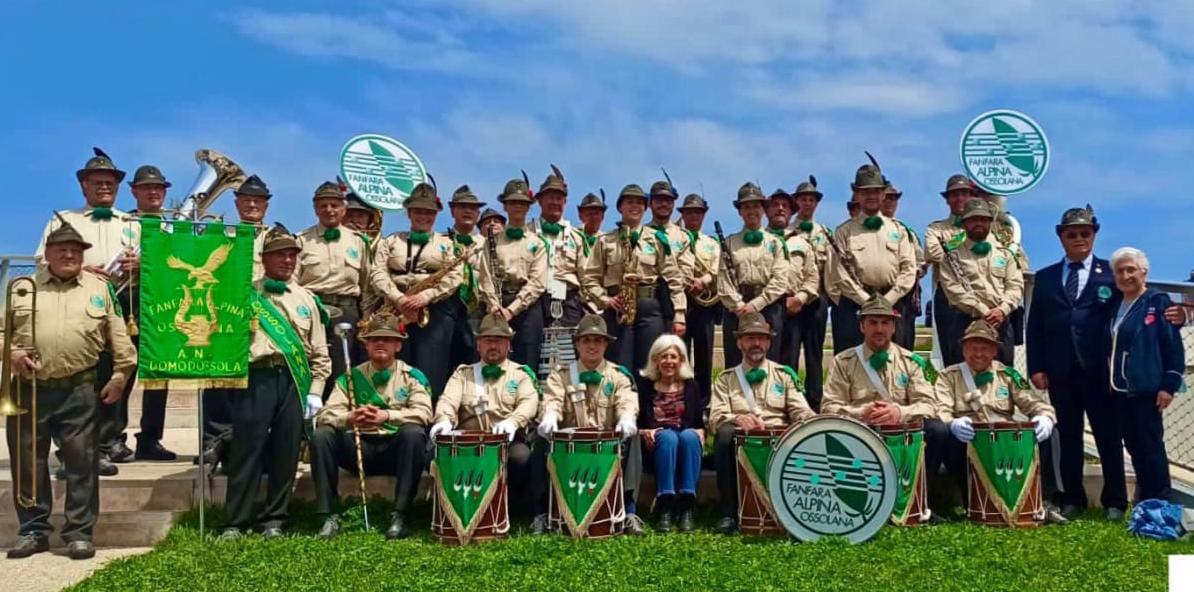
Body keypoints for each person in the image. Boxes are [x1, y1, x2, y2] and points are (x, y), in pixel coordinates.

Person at [5, 220, 136, 560]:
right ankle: (33, 531)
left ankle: (79, 532)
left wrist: (120, 375)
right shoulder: (22, 286)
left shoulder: (99, 289)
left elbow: (118, 337)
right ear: (46, 254)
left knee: (82, 463)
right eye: (61, 249)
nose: (68, 254)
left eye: (75, 250)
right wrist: (13, 353)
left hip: (80, 390)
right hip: (29, 390)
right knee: (27, 464)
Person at [221, 225, 331, 539]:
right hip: (257, 376)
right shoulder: (245, 293)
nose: (286, 260)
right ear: (264, 258)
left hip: (295, 380)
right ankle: (236, 521)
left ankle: (275, 519)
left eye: (291, 255)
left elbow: (320, 352)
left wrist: (315, 392)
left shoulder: (308, 299)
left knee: (286, 450)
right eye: (279, 254)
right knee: (247, 449)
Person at [35, 148, 137, 474]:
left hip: (123, 304)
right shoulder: (65, 220)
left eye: (110, 183)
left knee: (116, 376)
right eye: (97, 182)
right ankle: (73, 451)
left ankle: (104, 446)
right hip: (79, 303)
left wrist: (141, 265)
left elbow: (155, 264)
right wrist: (84, 269)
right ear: (84, 187)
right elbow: (41, 261)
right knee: (82, 381)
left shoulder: (132, 223)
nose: (104, 187)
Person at [1025, 205, 1125, 517]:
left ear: (1094, 235)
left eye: (1085, 233)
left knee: (1108, 436)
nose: (1079, 238)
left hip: (1099, 370)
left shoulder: (1111, 274)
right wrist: (1036, 367)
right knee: (1068, 436)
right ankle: (1072, 498)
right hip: (1060, 370)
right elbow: (1035, 327)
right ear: (1061, 238)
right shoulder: (1045, 278)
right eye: (1072, 234)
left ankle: (1115, 501)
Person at [311, 312, 432, 540]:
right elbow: (325, 415)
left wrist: (387, 416)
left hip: (394, 450)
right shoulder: (349, 377)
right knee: (322, 435)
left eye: (386, 339)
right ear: (366, 345)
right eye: (374, 339)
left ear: (398, 345)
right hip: (358, 448)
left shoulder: (412, 377)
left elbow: (424, 413)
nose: (380, 343)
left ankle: (400, 514)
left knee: (414, 433)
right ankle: (328, 515)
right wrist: (350, 417)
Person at [821, 295, 947, 500]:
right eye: (872, 322)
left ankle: (919, 498)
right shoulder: (843, 362)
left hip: (901, 433)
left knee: (937, 429)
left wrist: (900, 412)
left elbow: (929, 405)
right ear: (862, 326)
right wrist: (861, 413)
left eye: (885, 323)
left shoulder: (911, 362)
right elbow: (828, 407)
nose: (879, 329)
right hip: (861, 431)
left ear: (894, 327)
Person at [935, 320, 1059, 520]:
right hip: (968, 441)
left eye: (984, 349)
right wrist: (952, 423)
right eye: (973, 348)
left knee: (1049, 432)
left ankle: (1044, 500)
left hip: (1006, 443)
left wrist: (1044, 416)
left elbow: (1034, 403)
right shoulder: (948, 376)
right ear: (964, 350)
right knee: (945, 435)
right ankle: (971, 499)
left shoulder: (1007, 375)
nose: (978, 354)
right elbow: (940, 409)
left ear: (994, 351)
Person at [708, 312, 815, 534]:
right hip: (741, 439)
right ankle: (728, 513)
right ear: (739, 343)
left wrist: (809, 421)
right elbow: (715, 417)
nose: (756, 343)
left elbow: (801, 410)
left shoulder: (784, 376)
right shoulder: (726, 379)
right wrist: (737, 418)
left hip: (778, 439)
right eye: (749, 338)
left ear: (768, 342)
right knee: (724, 435)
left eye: (761, 338)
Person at [538, 314, 644, 535]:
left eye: (598, 340)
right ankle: (542, 512)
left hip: (607, 448)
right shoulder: (562, 375)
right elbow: (552, 399)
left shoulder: (618, 375)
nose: (592, 346)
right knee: (539, 438)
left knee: (634, 436)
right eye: (586, 340)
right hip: (570, 450)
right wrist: (549, 415)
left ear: (606, 344)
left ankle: (630, 511)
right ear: (577, 344)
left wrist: (626, 417)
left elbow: (626, 400)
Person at [430, 313, 540, 518]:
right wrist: (443, 419)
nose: (493, 346)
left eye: (499, 341)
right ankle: (454, 509)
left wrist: (513, 422)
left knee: (521, 458)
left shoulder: (521, 375)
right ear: (478, 345)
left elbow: (530, 402)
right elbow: (447, 401)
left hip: (505, 442)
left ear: (508, 345)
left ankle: (510, 508)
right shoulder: (462, 375)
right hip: (467, 443)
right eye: (488, 340)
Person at [197, 174, 273, 470]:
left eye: (258, 200)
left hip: (265, 315)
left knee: (255, 381)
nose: (252, 204)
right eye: (246, 200)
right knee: (218, 379)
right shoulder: (221, 234)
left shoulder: (277, 237)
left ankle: (248, 438)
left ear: (266, 205)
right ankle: (213, 439)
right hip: (225, 312)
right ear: (237, 203)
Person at [581, 184, 686, 391]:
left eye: (639, 202)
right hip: (618, 309)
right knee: (620, 364)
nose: (635, 206)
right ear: (620, 207)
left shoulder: (657, 239)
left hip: (649, 307)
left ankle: (647, 416)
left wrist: (679, 314)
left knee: (651, 363)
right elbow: (589, 278)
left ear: (646, 208)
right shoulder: (606, 241)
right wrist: (605, 300)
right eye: (629, 202)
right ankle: (621, 412)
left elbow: (674, 278)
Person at [1106, 247, 1184, 503]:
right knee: (1135, 447)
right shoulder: (1114, 305)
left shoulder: (1158, 302)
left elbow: (1172, 346)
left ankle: (1161, 504)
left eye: (1131, 269)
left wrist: (1169, 384)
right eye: (1120, 271)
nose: (1125, 275)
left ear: (1144, 272)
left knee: (1151, 449)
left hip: (1147, 389)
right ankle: (1144, 502)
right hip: (1119, 391)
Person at [370, 182, 463, 396]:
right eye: (418, 211)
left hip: (433, 311)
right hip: (394, 310)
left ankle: (428, 418)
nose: (424, 216)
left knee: (432, 369)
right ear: (409, 213)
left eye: (429, 212)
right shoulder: (391, 240)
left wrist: (425, 296)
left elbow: (454, 276)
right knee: (393, 367)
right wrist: (398, 298)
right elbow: (378, 272)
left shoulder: (447, 244)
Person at [827, 160, 917, 353]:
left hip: (892, 302)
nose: (871, 196)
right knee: (850, 364)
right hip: (854, 306)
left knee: (897, 364)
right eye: (865, 192)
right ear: (857, 194)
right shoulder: (843, 232)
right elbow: (840, 274)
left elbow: (909, 269)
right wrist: (867, 302)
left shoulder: (899, 230)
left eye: (876, 191)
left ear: (884, 194)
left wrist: (888, 301)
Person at [296, 181, 371, 399]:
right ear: (315, 209)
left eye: (334, 205)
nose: (329, 210)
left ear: (343, 209)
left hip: (347, 311)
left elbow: (367, 287)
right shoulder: (301, 240)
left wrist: (365, 319)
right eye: (323, 205)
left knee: (344, 369)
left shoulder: (358, 242)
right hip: (311, 312)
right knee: (310, 365)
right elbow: (293, 282)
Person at [123, 165, 176, 461]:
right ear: (134, 192)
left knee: (159, 376)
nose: (154, 192)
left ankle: (150, 439)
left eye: (159, 188)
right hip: (129, 302)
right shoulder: (124, 224)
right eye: (146, 188)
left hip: (162, 304)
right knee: (123, 370)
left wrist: (148, 267)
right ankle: (112, 438)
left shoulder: (173, 228)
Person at [936, 199, 1023, 365]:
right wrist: (983, 310)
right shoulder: (951, 256)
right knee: (962, 380)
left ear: (990, 222)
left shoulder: (1005, 254)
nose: (978, 223)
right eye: (973, 220)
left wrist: (1002, 310)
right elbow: (954, 291)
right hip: (966, 322)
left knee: (1003, 380)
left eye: (983, 219)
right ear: (964, 223)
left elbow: (1015, 286)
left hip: (1001, 324)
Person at [475, 178, 548, 369]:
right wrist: (494, 306)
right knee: (493, 359)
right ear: (505, 206)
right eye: (513, 202)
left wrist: (512, 310)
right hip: (497, 305)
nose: (518, 207)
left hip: (526, 306)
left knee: (527, 361)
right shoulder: (492, 241)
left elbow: (537, 282)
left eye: (522, 203)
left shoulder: (538, 243)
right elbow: (486, 277)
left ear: (529, 207)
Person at [638, 335, 705, 533]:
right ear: (655, 359)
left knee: (689, 436)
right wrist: (645, 432)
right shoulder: (645, 386)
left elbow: (698, 423)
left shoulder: (691, 386)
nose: (668, 361)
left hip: (685, 441)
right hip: (657, 442)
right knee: (668, 437)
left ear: (681, 360)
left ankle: (686, 505)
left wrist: (701, 431)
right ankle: (665, 503)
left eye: (673, 357)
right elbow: (636, 422)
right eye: (663, 356)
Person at [717, 183, 788, 367]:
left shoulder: (776, 243)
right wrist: (739, 306)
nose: (751, 211)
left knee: (769, 364)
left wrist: (756, 305)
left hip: (769, 307)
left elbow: (780, 280)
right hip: (736, 310)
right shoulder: (729, 243)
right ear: (739, 211)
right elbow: (723, 281)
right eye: (746, 206)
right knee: (735, 364)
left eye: (755, 206)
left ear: (763, 209)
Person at [767, 188, 819, 394]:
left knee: (790, 361)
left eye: (785, 206)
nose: (780, 209)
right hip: (766, 308)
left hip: (794, 307)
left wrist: (801, 298)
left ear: (791, 212)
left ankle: (790, 404)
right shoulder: (759, 239)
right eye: (774, 205)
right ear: (766, 210)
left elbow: (812, 276)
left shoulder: (802, 242)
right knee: (765, 358)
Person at [787, 176, 831, 410]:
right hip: (793, 301)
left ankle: (815, 399)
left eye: (811, 199)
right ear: (797, 202)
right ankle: (792, 399)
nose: (807, 203)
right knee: (791, 351)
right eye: (803, 199)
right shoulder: (785, 232)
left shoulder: (824, 232)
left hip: (817, 300)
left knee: (815, 352)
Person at [924, 174, 975, 370]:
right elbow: (933, 253)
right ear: (947, 199)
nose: (960, 199)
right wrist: (964, 237)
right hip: (948, 298)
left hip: (980, 296)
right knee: (952, 357)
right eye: (954, 195)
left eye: (964, 193)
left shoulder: (987, 227)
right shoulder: (937, 228)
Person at [530, 166, 589, 327]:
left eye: (559, 198)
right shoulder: (527, 233)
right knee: (534, 349)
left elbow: (585, 276)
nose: (555, 202)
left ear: (565, 202)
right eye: (550, 197)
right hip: (534, 301)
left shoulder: (577, 237)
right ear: (540, 200)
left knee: (568, 349)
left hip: (568, 301)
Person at [677, 193, 720, 404]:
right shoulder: (675, 238)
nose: (693, 216)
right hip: (681, 302)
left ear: (704, 215)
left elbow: (716, 269)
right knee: (679, 355)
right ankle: (680, 401)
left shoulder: (712, 244)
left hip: (705, 305)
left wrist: (702, 281)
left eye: (698, 212)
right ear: (683, 215)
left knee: (705, 357)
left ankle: (703, 403)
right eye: (689, 212)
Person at [446, 184, 487, 365]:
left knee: (475, 359)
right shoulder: (441, 241)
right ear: (452, 211)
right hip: (447, 307)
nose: (468, 211)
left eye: (473, 208)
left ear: (478, 214)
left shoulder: (488, 245)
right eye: (462, 207)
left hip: (476, 310)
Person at [881, 180, 924, 350]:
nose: (890, 202)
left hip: (904, 296)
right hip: (878, 291)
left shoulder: (906, 232)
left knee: (904, 342)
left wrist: (916, 271)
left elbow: (921, 261)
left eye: (893, 198)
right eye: (887, 198)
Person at [647, 179, 696, 325]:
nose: (664, 204)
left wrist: (669, 286)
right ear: (650, 203)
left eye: (668, 201)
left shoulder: (684, 236)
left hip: (674, 300)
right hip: (647, 300)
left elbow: (687, 271)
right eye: (659, 200)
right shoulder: (641, 233)